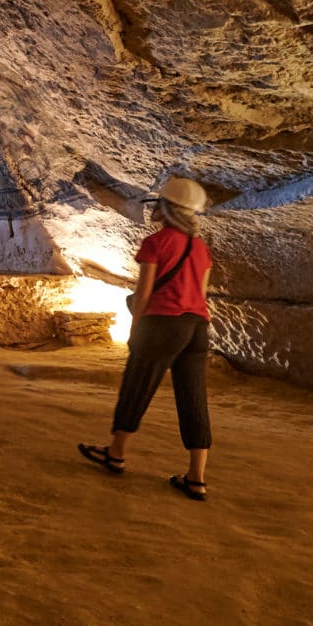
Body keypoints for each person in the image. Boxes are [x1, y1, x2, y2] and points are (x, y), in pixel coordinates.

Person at [80, 177, 216, 500]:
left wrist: (135, 329)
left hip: (163, 323)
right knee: (194, 397)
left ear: (166, 209)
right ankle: (196, 477)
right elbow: (201, 294)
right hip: (197, 326)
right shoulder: (201, 249)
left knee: (137, 385)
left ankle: (116, 452)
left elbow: (143, 294)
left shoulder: (155, 243)